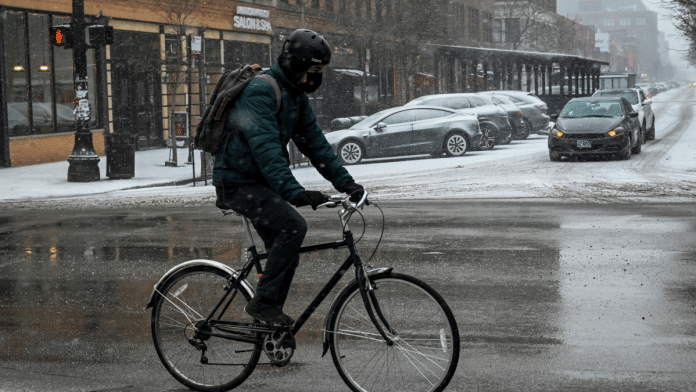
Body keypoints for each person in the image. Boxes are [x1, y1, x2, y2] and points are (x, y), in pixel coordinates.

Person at [213, 29, 364, 326]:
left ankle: (268, 320)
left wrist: (345, 183)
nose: (316, 77)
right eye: (313, 69)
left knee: (287, 251)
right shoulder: (261, 91)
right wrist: (295, 192)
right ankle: (263, 305)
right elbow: (266, 148)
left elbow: (315, 144)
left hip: (260, 181)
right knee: (293, 226)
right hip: (237, 182)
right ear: (297, 64)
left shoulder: (294, 96)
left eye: (320, 71)